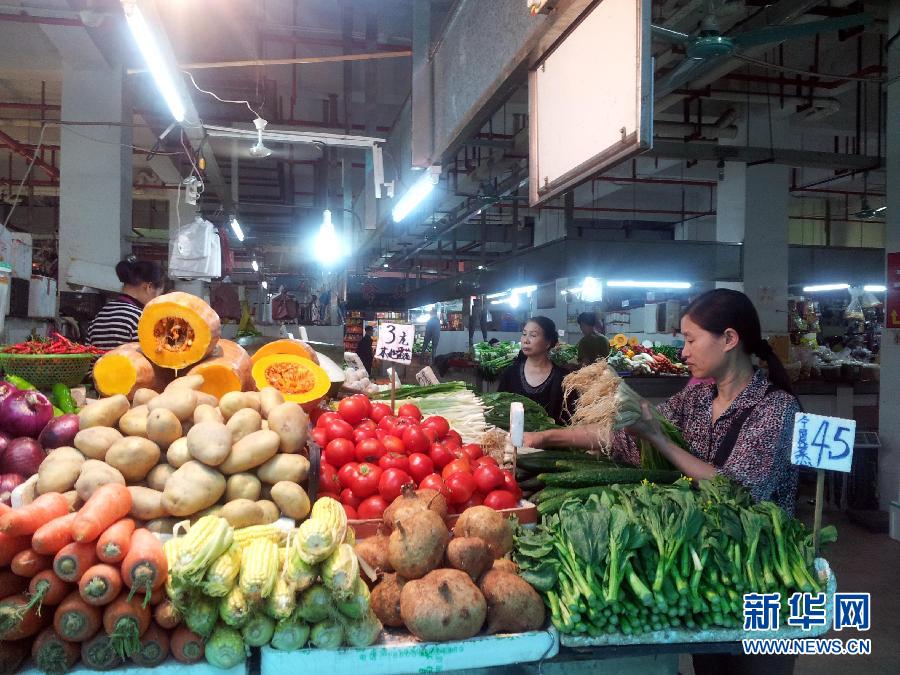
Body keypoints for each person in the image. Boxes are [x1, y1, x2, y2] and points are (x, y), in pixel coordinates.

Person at [525, 289, 801, 513]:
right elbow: (620, 436)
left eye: (691, 341)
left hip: (758, 564)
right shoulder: (696, 398)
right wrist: (545, 438)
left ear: (729, 339)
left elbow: (735, 491)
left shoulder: (776, 410)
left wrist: (660, 440)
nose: (683, 353)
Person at [497, 316, 570, 425]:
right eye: (524, 334)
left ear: (548, 343)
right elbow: (499, 409)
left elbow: (568, 421)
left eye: (533, 335)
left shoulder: (563, 379)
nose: (526, 340)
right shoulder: (510, 373)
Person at [87, 256, 162, 349]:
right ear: (148, 287)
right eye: (157, 294)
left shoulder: (100, 315)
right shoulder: (141, 319)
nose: (156, 299)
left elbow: (88, 353)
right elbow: (151, 357)